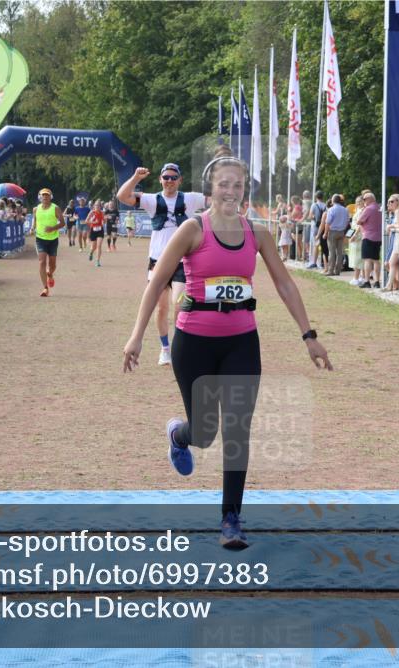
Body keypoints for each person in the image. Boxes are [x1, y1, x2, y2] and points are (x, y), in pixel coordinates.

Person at [122, 146, 332, 549]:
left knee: (237, 430)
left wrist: (309, 336)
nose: (231, 191)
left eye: (238, 185)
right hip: (194, 343)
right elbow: (156, 283)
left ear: (245, 189)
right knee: (205, 432)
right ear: (211, 189)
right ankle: (179, 435)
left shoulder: (257, 233)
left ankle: (230, 518)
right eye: (224, 184)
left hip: (241, 342)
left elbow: (285, 284)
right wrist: (136, 336)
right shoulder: (192, 230)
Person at [118, 162, 207, 366]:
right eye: (166, 177)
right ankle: (165, 349)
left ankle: (179, 346)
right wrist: (136, 178)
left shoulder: (190, 198)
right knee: (161, 308)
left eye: (173, 177)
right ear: (160, 179)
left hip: (182, 261)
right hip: (157, 261)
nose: (169, 181)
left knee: (180, 304)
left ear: (180, 180)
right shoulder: (151, 200)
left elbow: (214, 200)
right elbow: (122, 196)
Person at [33, 188, 65, 297]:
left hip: (53, 240)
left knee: (52, 265)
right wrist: (33, 228)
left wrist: (53, 228)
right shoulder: (36, 209)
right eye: (43, 195)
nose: (45, 197)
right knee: (42, 262)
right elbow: (35, 220)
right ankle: (45, 288)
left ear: (50, 197)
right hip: (40, 239)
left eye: (47, 195)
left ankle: (50, 274)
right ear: (40, 197)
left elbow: (63, 223)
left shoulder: (55, 208)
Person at [355, 192, 382, 288]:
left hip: (368, 236)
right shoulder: (379, 208)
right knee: (376, 260)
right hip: (378, 237)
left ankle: (367, 281)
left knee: (367, 260)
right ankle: (377, 281)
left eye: (364, 199)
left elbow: (359, 221)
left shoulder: (368, 209)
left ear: (370, 199)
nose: (363, 201)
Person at [323, 194, 350, 275]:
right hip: (341, 232)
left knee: (331, 252)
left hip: (332, 232)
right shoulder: (345, 210)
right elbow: (347, 221)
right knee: (339, 252)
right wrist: (343, 229)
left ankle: (331, 270)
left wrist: (325, 233)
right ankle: (337, 270)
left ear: (332, 201)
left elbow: (327, 223)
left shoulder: (331, 209)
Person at [348, 195, 365, 285]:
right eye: (357, 201)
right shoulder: (358, 210)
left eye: (360, 201)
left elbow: (360, 225)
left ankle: (356, 278)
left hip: (358, 236)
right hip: (355, 234)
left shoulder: (362, 211)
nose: (358, 203)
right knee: (357, 257)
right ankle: (362, 277)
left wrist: (354, 235)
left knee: (357, 258)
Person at [308, 191, 327, 269]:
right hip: (324, 226)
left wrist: (314, 217)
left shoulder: (314, 205)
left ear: (316, 197)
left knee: (316, 244)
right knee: (323, 245)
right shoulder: (325, 205)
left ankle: (314, 262)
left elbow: (310, 216)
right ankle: (323, 263)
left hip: (315, 227)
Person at [86, 200, 105, 267]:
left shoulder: (102, 213)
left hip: (100, 230)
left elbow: (104, 221)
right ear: (94, 206)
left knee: (99, 246)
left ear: (100, 206)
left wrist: (104, 220)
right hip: (93, 230)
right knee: (93, 247)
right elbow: (86, 221)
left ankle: (97, 261)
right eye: (96, 205)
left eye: (98, 205)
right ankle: (91, 253)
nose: (97, 206)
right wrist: (93, 222)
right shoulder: (92, 212)